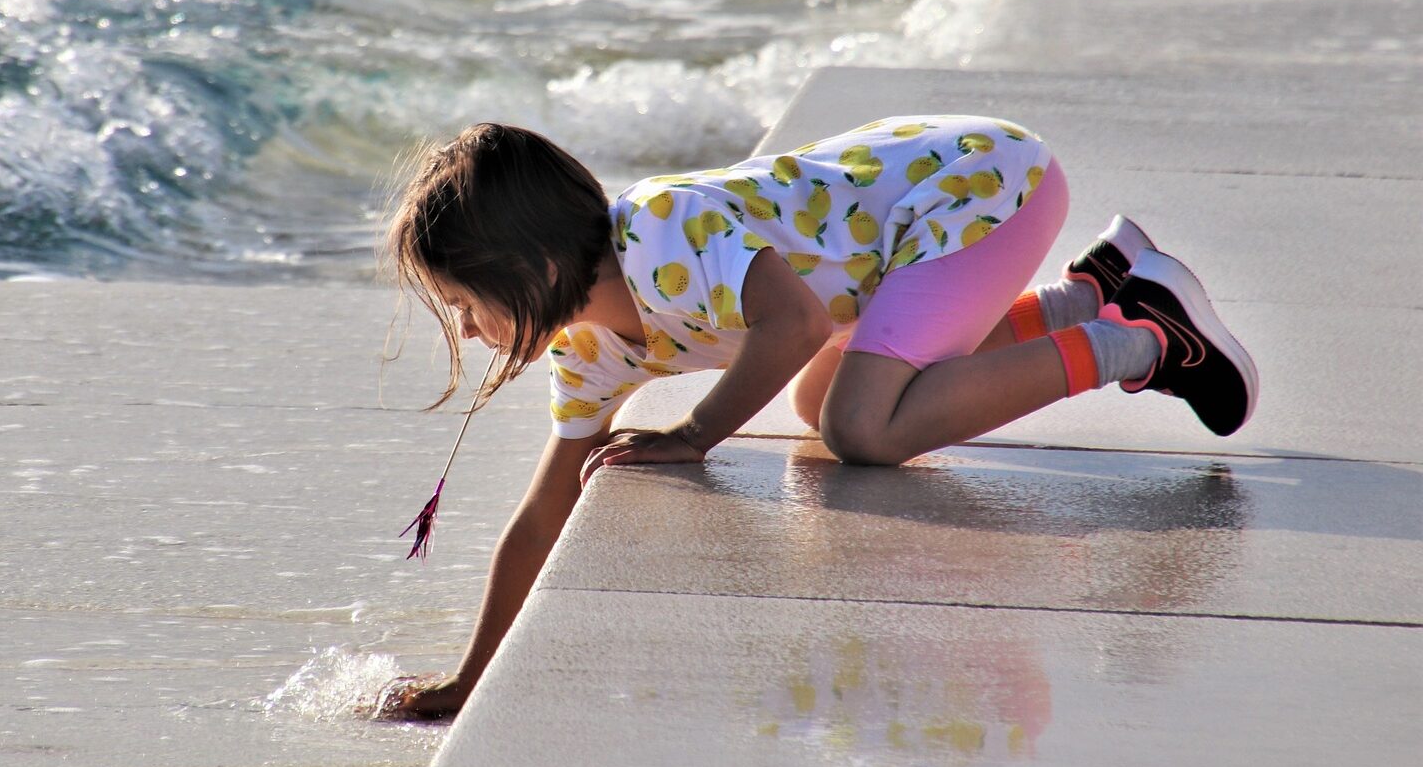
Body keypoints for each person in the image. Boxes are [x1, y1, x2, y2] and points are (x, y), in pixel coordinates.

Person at [371, 116, 1256, 720]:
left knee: (861, 429)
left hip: (980, 186)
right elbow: (541, 518)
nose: (463, 327)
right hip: (915, 228)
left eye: (463, 301)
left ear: (524, 266)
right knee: (811, 401)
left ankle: (1138, 342)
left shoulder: (659, 232)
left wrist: (693, 435)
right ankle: (1084, 295)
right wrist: (469, 678)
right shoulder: (590, 347)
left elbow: (792, 323)